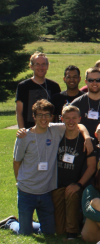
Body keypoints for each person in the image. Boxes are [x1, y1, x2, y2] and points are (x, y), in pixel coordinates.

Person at [9, 100, 61, 235]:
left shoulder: (56, 130)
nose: (43, 118)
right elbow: (16, 161)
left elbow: (78, 126)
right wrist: (19, 181)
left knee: (49, 233)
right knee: (24, 233)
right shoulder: (24, 136)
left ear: (51, 116)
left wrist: (87, 138)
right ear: (34, 116)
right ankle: (12, 223)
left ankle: (28, 223)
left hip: (46, 191)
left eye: (47, 115)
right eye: (40, 115)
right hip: (27, 191)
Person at [48, 105, 96, 239]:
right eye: (67, 118)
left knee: (72, 195)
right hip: (56, 185)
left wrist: (79, 184)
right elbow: (41, 125)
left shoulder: (86, 141)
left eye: (74, 118)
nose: (70, 121)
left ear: (79, 119)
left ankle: (72, 233)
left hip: (76, 184)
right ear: (61, 119)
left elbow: (92, 166)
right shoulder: (56, 135)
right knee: (59, 230)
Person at [15, 52, 61, 129]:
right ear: (31, 66)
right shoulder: (23, 86)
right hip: (29, 131)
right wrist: (22, 130)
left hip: (49, 132)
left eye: (43, 64)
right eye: (37, 64)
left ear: (47, 66)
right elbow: (19, 112)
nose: (41, 67)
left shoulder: (54, 86)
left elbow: (56, 112)